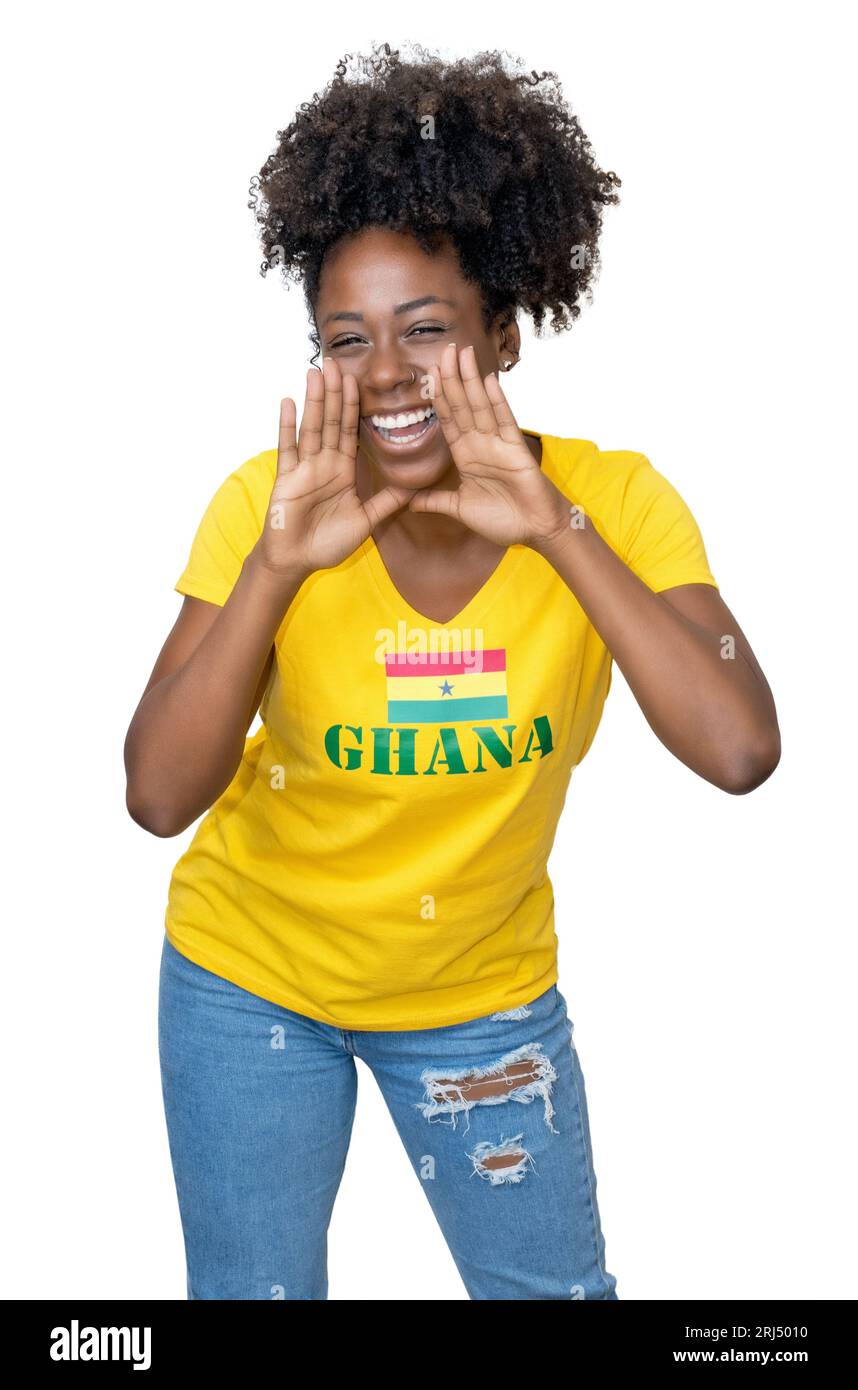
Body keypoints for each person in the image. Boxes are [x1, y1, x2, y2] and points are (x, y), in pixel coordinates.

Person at [124, 43, 781, 1301]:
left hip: (480, 999)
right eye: (345, 337)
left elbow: (741, 749)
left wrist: (551, 526)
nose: (384, 372)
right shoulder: (270, 503)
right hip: (252, 981)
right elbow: (158, 797)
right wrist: (275, 569)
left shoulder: (613, 500)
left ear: (507, 335)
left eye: (427, 329)